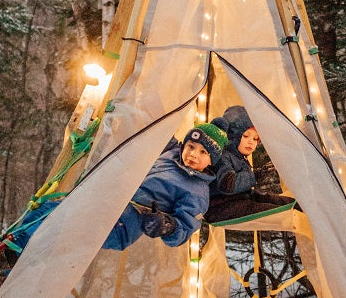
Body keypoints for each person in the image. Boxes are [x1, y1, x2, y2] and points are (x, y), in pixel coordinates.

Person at [102, 122, 228, 251]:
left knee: (86, 239)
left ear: (211, 161)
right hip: (111, 200)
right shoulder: (171, 152)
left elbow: (185, 227)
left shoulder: (197, 192)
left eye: (203, 152)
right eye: (191, 146)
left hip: (126, 224)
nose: (193, 154)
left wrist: (167, 226)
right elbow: (160, 126)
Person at [204, 105, 295, 224]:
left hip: (239, 199)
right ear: (233, 135)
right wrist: (256, 175)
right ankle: (287, 210)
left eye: (256, 139)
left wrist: (260, 174)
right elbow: (228, 184)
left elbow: (245, 189)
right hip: (220, 207)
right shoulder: (223, 156)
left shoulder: (239, 157)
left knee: (271, 199)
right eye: (246, 136)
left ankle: (295, 204)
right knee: (274, 211)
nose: (251, 142)